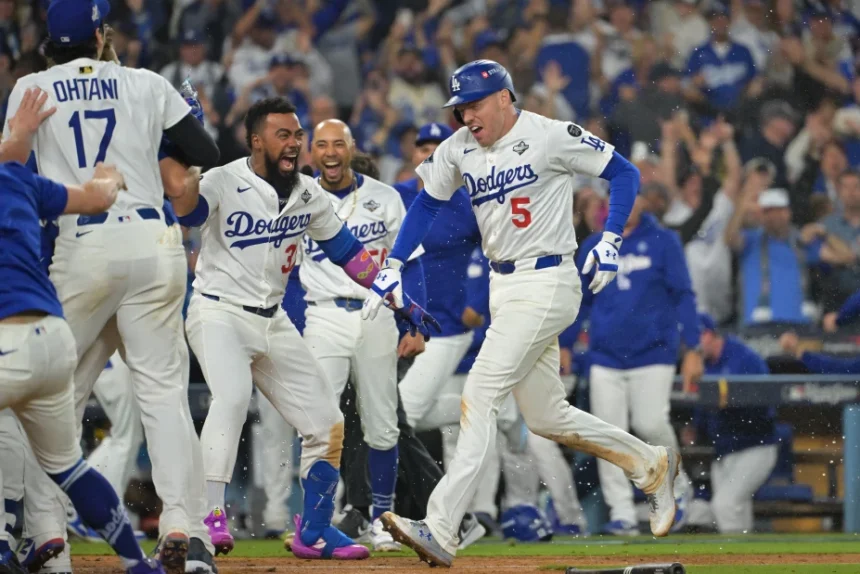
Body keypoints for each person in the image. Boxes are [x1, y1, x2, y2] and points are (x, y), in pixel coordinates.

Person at [362, 59, 680, 567]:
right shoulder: (459, 147)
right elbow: (426, 204)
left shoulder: (550, 135)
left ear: (505, 98)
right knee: (548, 417)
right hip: (502, 286)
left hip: (550, 279)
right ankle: (650, 464)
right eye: (460, 107)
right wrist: (395, 261)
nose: (467, 116)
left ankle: (442, 526)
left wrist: (612, 237)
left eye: (475, 105)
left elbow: (624, 171)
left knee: (478, 395)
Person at [1, 1, 221, 572]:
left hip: (81, 248)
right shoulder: (146, 82)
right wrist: (176, 127)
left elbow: (11, 171)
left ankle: (49, 540)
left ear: (52, 42)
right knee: (163, 394)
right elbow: (204, 154)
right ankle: (183, 527)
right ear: (101, 34)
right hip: (154, 247)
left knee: (54, 401)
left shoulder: (31, 88)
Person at [170, 97, 434, 561]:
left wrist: (398, 299)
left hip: (272, 320)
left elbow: (350, 253)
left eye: (296, 135)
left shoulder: (307, 192)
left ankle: (313, 531)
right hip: (218, 312)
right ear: (257, 141)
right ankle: (206, 517)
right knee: (231, 399)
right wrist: (185, 152)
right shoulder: (223, 179)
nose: (293, 144)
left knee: (327, 424)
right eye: (283, 136)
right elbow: (188, 213)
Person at [0, 154, 163, 574]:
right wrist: (109, 177)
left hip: (14, 334)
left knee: (10, 433)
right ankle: (135, 562)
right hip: (54, 337)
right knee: (66, 465)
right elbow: (96, 197)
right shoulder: (23, 181)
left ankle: (9, 536)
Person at [299, 118, 426, 551]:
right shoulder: (299, 196)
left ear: (352, 148)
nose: (331, 152)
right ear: (311, 151)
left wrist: (414, 323)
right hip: (323, 313)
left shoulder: (384, 197)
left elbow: (411, 260)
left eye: (339, 144)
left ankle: (381, 521)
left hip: (377, 314)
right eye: (322, 145)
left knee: (382, 425)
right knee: (318, 420)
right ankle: (315, 520)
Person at [573, 194, 701, 535]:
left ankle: (679, 487)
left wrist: (694, 346)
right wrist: (565, 343)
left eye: (631, 196)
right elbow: (578, 299)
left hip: (653, 351)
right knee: (606, 435)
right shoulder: (593, 244)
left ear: (645, 201)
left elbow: (683, 294)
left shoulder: (664, 240)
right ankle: (622, 513)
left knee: (650, 422)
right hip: (605, 355)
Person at [698, 314, 777, 533]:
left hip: (755, 447)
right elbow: (700, 406)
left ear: (710, 335)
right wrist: (696, 426)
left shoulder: (744, 358)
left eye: (698, 336)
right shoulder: (700, 365)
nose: (693, 345)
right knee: (734, 511)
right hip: (723, 450)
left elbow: (768, 406)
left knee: (725, 505)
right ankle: (748, 563)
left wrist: (731, 406)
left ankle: (731, 562)